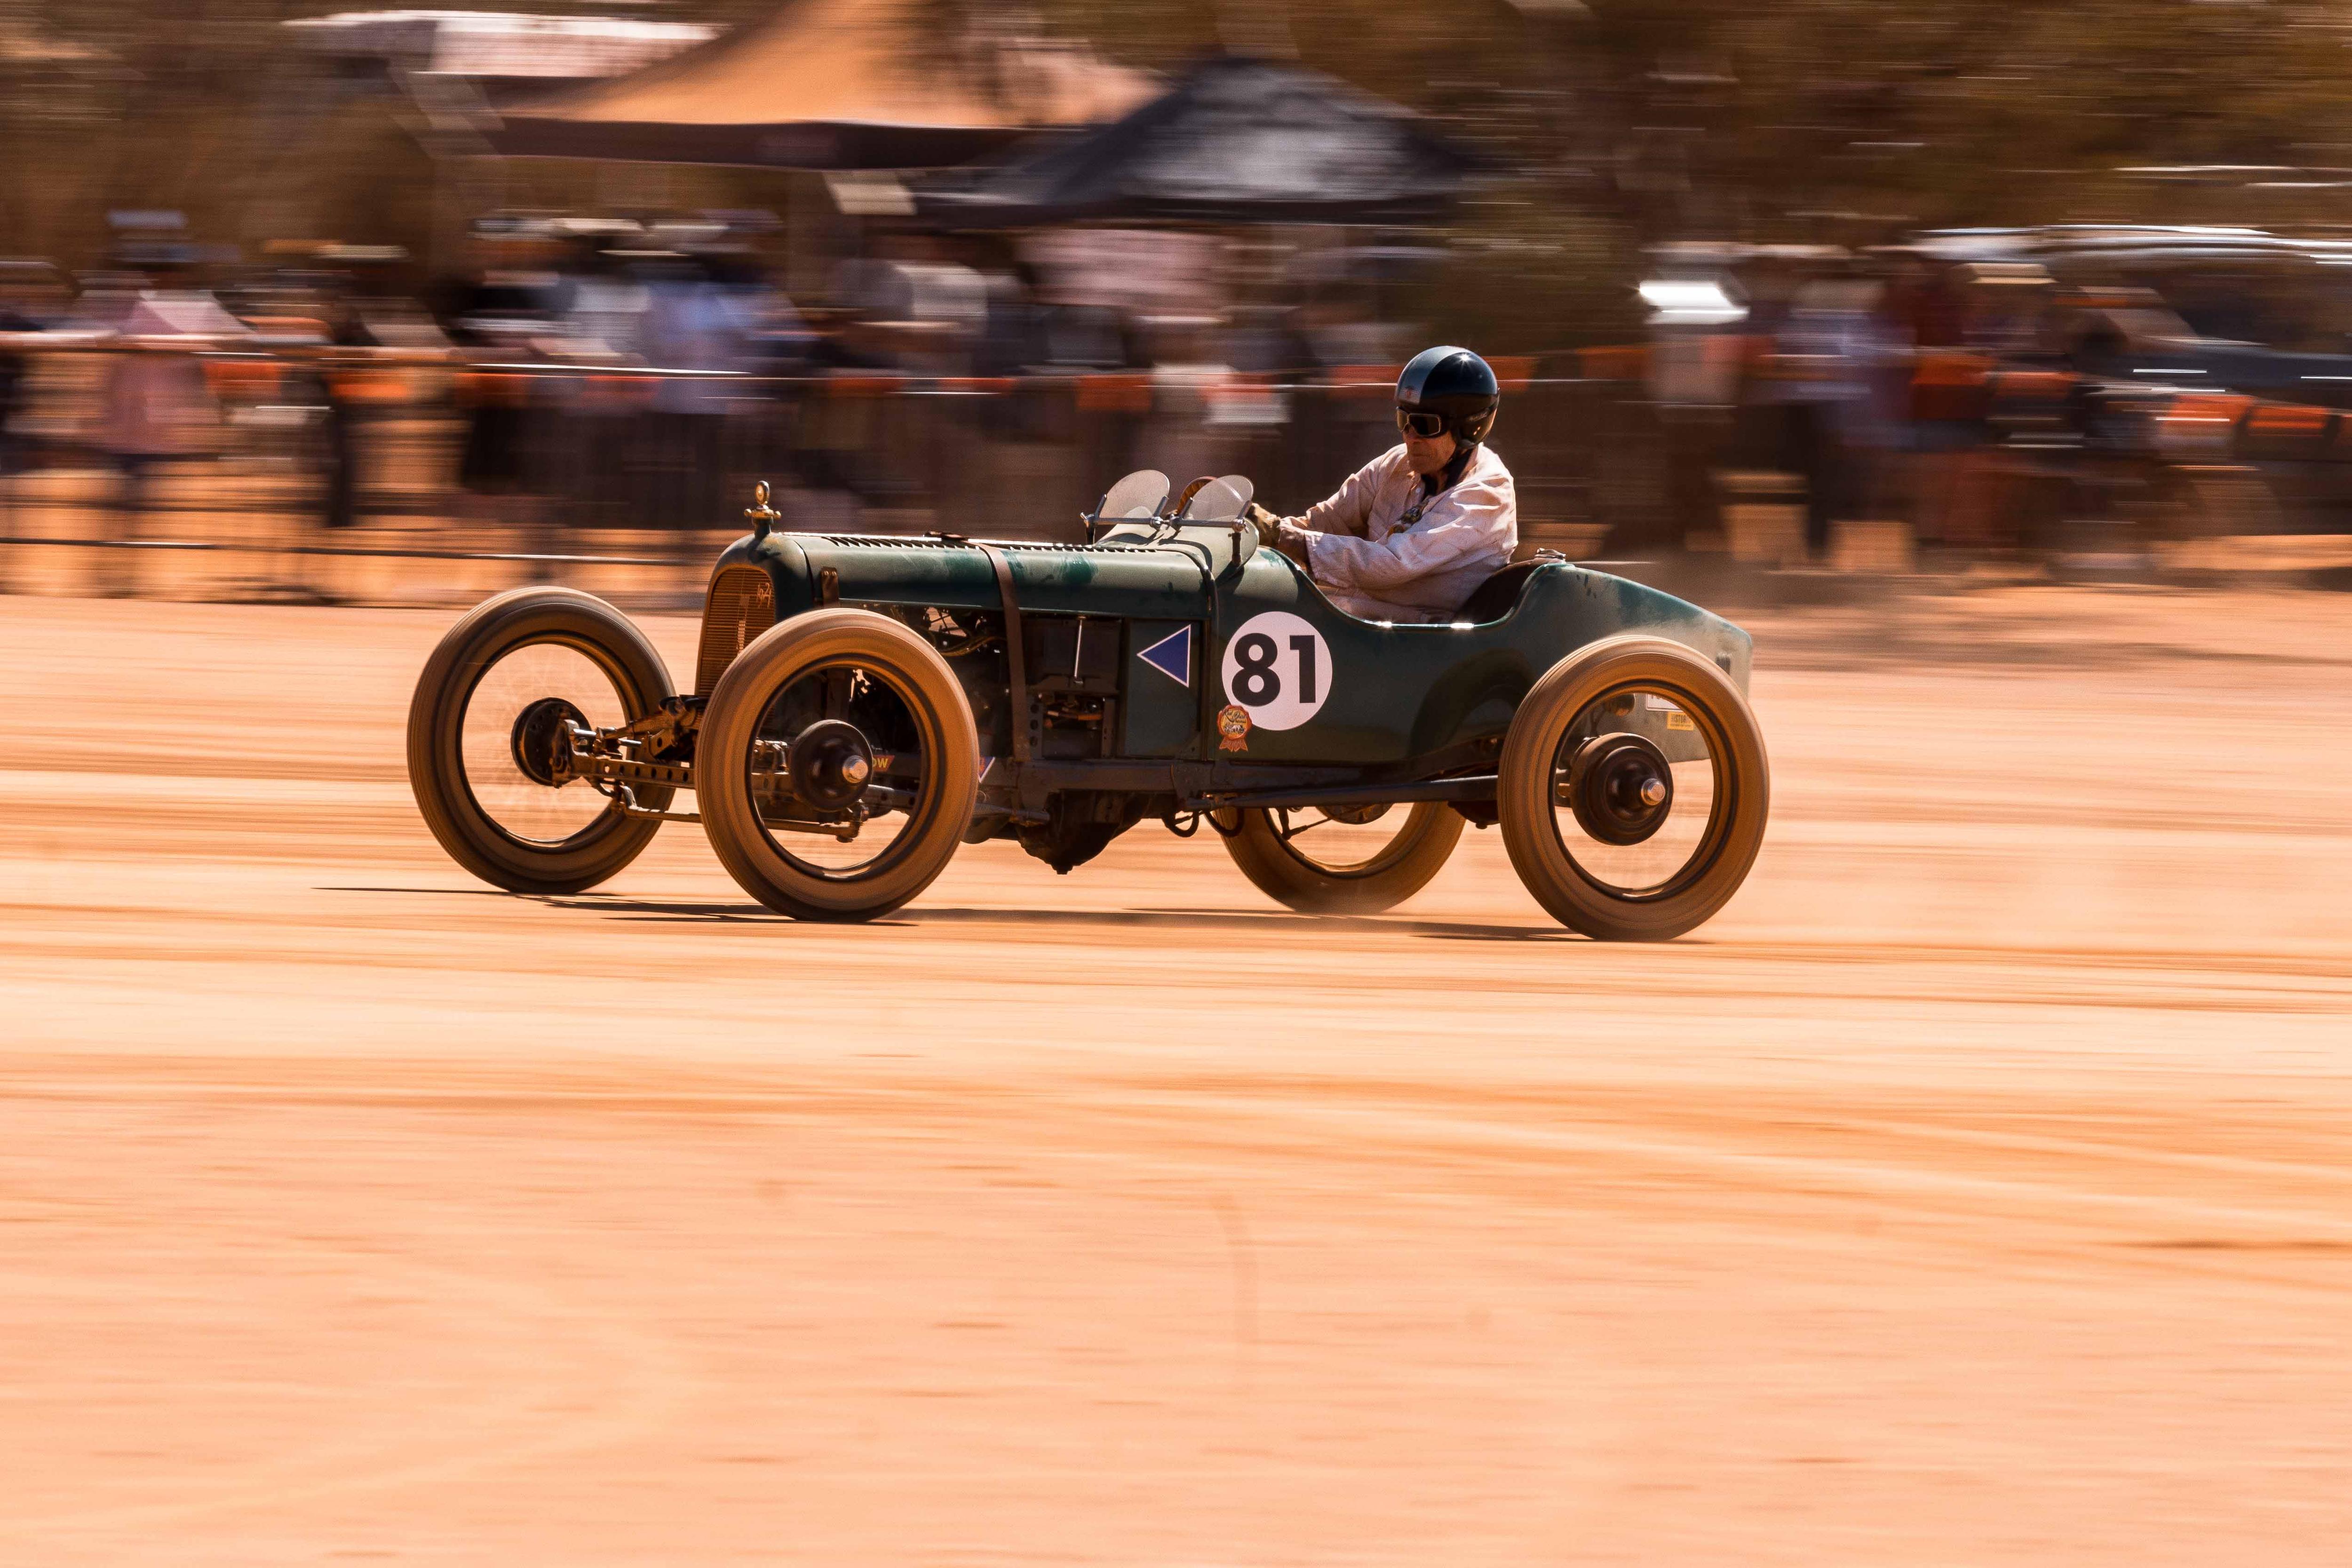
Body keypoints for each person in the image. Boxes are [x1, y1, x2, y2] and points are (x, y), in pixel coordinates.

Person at [1246, 345, 1515, 622]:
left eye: (1424, 424)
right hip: (1354, 617)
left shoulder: (1486, 493)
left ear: (1469, 427)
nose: (1410, 436)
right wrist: (1255, 530)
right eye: (1404, 420)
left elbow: (1391, 563)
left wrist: (1283, 537)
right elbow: (1324, 522)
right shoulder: (1397, 463)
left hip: (1417, 636)